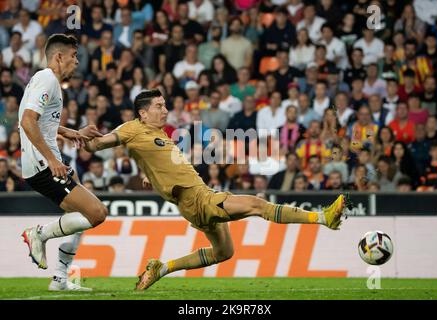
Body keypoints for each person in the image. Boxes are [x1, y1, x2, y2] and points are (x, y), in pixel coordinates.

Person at [82, 89, 349, 291]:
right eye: (159, 106)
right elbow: (99, 145)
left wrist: (150, 175)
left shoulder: (159, 134)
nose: (165, 111)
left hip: (197, 198)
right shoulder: (132, 128)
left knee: (224, 253)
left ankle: (162, 268)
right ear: (142, 112)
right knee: (257, 205)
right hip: (197, 199)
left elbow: (152, 159)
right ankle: (323, 218)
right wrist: (84, 137)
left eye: (164, 106)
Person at [18, 34, 108, 292]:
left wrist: (73, 133)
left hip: (46, 161)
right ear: (59, 57)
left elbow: (43, 123)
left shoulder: (47, 81)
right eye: (73, 56)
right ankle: (39, 234)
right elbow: (27, 121)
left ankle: (59, 278)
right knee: (97, 213)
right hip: (43, 165)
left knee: (80, 213)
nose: (76, 62)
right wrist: (50, 159)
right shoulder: (47, 79)